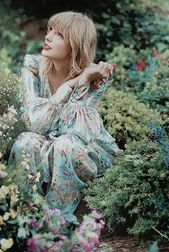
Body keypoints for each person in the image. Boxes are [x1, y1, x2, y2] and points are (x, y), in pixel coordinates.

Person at [8, 11, 120, 225]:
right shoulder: (33, 65)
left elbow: (75, 129)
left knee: (64, 145)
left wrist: (84, 80)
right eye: (50, 29)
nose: (48, 36)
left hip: (84, 147)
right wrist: (71, 84)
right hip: (47, 139)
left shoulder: (96, 75)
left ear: (75, 45)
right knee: (25, 141)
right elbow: (35, 123)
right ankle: (21, 216)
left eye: (59, 34)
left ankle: (55, 223)